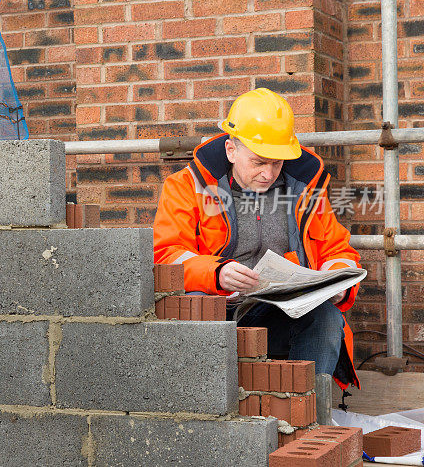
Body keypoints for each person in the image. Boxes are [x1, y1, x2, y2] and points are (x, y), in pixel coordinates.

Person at [152, 88, 360, 390]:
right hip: (213, 309)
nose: (268, 173)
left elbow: (336, 249)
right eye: (259, 162)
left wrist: (337, 281)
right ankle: (202, 409)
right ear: (231, 150)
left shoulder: (306, 189)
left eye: (277, 163)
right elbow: (166, 255)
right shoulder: (186, 186)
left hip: (277, 313)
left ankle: (311, 416)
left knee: (325, 316)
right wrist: (217, 273)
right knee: (196, 311)